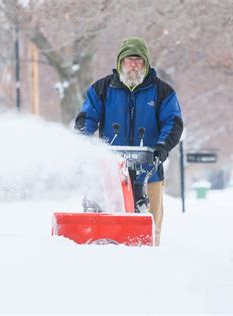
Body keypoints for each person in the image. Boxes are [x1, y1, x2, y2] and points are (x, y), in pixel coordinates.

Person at [74, 37, 183, 246]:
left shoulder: (162, 92)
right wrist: (84, 143)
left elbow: (173, 122)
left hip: (149, 170)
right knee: (107, 224)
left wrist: (162, 146)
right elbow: (87, 119)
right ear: (120, 62)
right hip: (110, 172)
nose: (133, 65)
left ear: (146, 63)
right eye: (128, 60)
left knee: (150, 228)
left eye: (138, 60)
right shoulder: (102, 89)